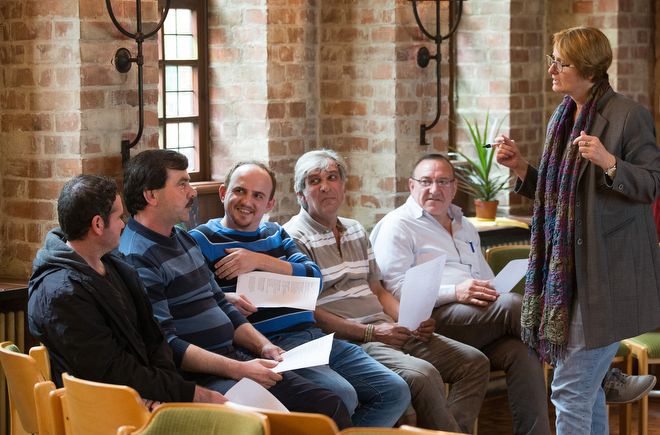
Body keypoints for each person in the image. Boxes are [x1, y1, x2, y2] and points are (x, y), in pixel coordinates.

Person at [496, 26, 660, 434]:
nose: (551, 69)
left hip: (606, 274)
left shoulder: (628, 115)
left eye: (561, 62)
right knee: (583, 393)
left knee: (570, 391)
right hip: (568, 274)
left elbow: (652, 185)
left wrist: (610, 163)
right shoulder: (562, 116)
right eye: (551, 59)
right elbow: (560, 196)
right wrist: (520, 166)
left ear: (588, 69)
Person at [118, 150, 352, 429]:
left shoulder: (179, 236)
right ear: (151, 195)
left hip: (236, 357)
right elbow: (166, 345)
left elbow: (220, 301)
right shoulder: (137, 256)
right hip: (204, 374)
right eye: (181, 184)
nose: (192, 192)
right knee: (276, 423)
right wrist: (240, 369)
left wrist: (263, 346)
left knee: (329, 404)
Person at [189, 160, 410, 428]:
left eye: (258, 195)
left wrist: (257, 260)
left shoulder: (275, 233)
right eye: (240, 191)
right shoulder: (200, 239)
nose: (247, 201)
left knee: (396, 391)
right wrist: (227, 299)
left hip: (315, 338)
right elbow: (197, 299)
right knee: (343, 394)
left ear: (269, 205)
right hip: (271, 345)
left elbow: (314, 279)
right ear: (224, 193)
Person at [283, 149, 490, 433]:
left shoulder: (355, 230)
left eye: (332, 177)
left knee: (473, 363)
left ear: (343, 186)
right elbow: (307, 314)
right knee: (424, 375)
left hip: (386, 328)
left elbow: (377, 290)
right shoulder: (292, 238)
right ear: (301, 193)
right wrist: (371, 333)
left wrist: (410, 321)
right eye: (314, 181)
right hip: (350, 341)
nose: (325, 186)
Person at [370, 153, 551, 435]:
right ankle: (586, 371)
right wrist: (455, 292)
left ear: (454, 188)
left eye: (443, 181)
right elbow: (397, 290)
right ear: (411, 185)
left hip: (478, 320)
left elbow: (485, 278)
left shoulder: (465, 225)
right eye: (426, 181)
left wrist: (491, 288)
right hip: (430, 321)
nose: (434, 189)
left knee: (521, 351)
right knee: (515, 305)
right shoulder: (398, 225)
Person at [28, 174, 224, 405]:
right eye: (119, 216)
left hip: (141, 391)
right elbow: (110, 370)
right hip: (103, 408)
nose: (123, 224)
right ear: (98, 225)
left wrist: (163, 388)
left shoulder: (112, 262)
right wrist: (190, 394)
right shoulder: (62, 293)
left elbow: (153, 334)